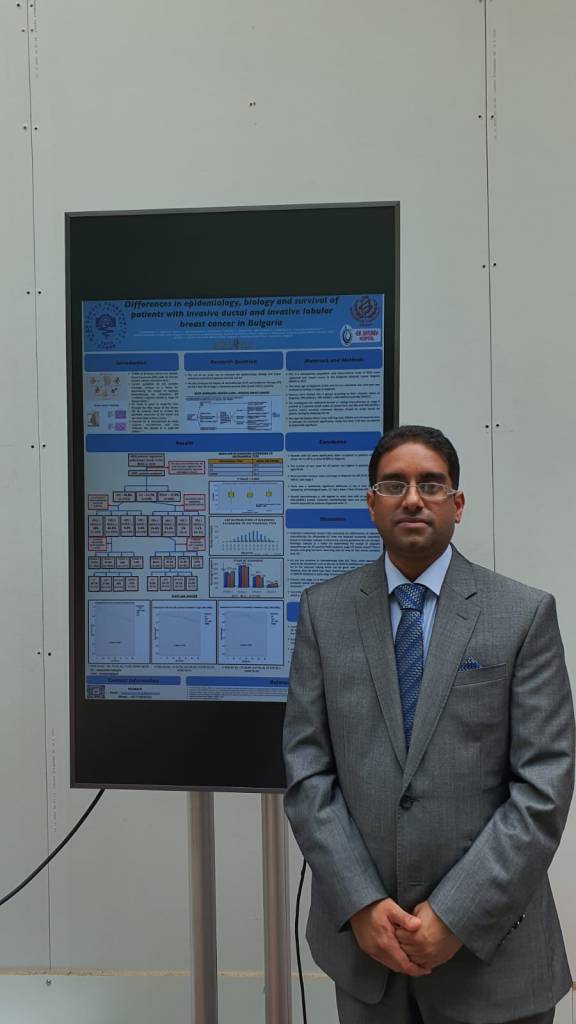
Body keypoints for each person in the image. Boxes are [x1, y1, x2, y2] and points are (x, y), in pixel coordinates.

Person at [283, 425, 574, 1024]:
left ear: (457, 504)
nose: (413, 498)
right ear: (371, 504)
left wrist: (456, 915)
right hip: (368, 958)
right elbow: (308, 772)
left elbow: (544, 786)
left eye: (431, 484)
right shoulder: (323, 612)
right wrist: (360, 902)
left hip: (494, 963)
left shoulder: (523, 615)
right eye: (394, 484)